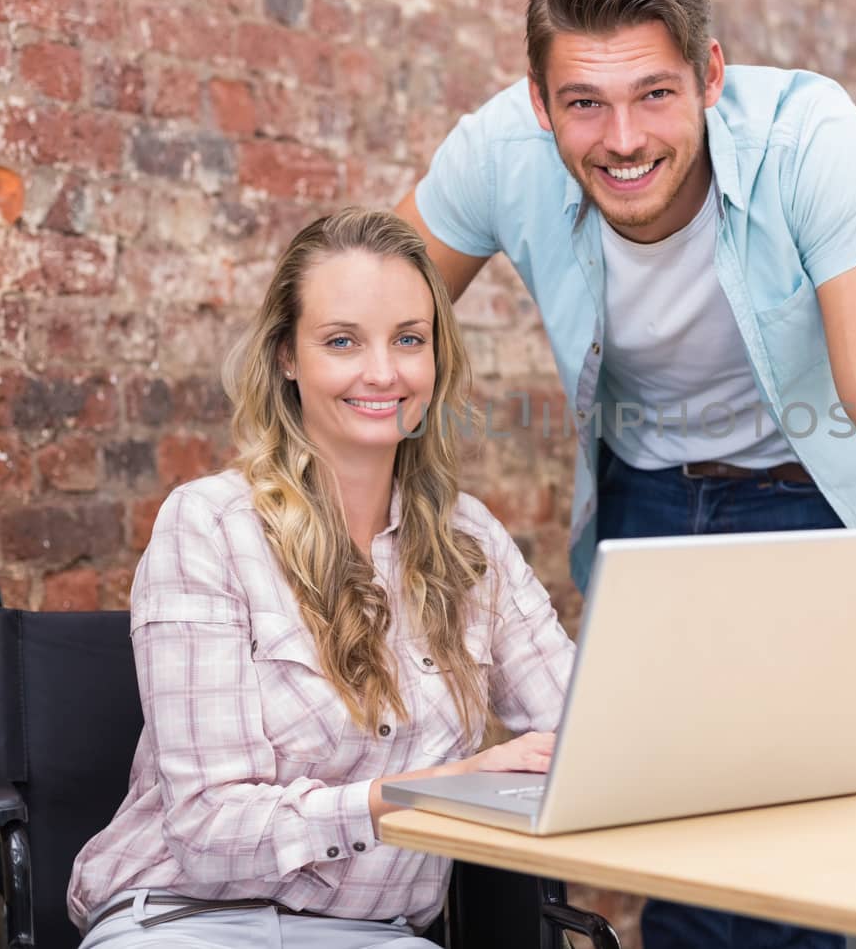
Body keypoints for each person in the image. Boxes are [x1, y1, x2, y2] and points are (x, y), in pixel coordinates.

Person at [395, 0, 856, 949]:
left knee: (792, 830)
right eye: (584, 103)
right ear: (538, 97)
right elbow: (370, 297)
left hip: (804, 486)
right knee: (672, 820)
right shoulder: (497, 152)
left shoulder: (810, 138)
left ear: (711, 77)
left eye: (653, 94)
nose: (621, 137)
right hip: (647, 496)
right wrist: (308, 491)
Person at [67, 209, 575, 947]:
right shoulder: (209, 526)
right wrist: (422, 793)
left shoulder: (472, 542)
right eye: (342, 341)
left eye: (409, 338)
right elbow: (209, 832)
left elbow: (584, 732)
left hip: (380, 933)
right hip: (189, 918)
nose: (382, 371)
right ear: (286, 356)